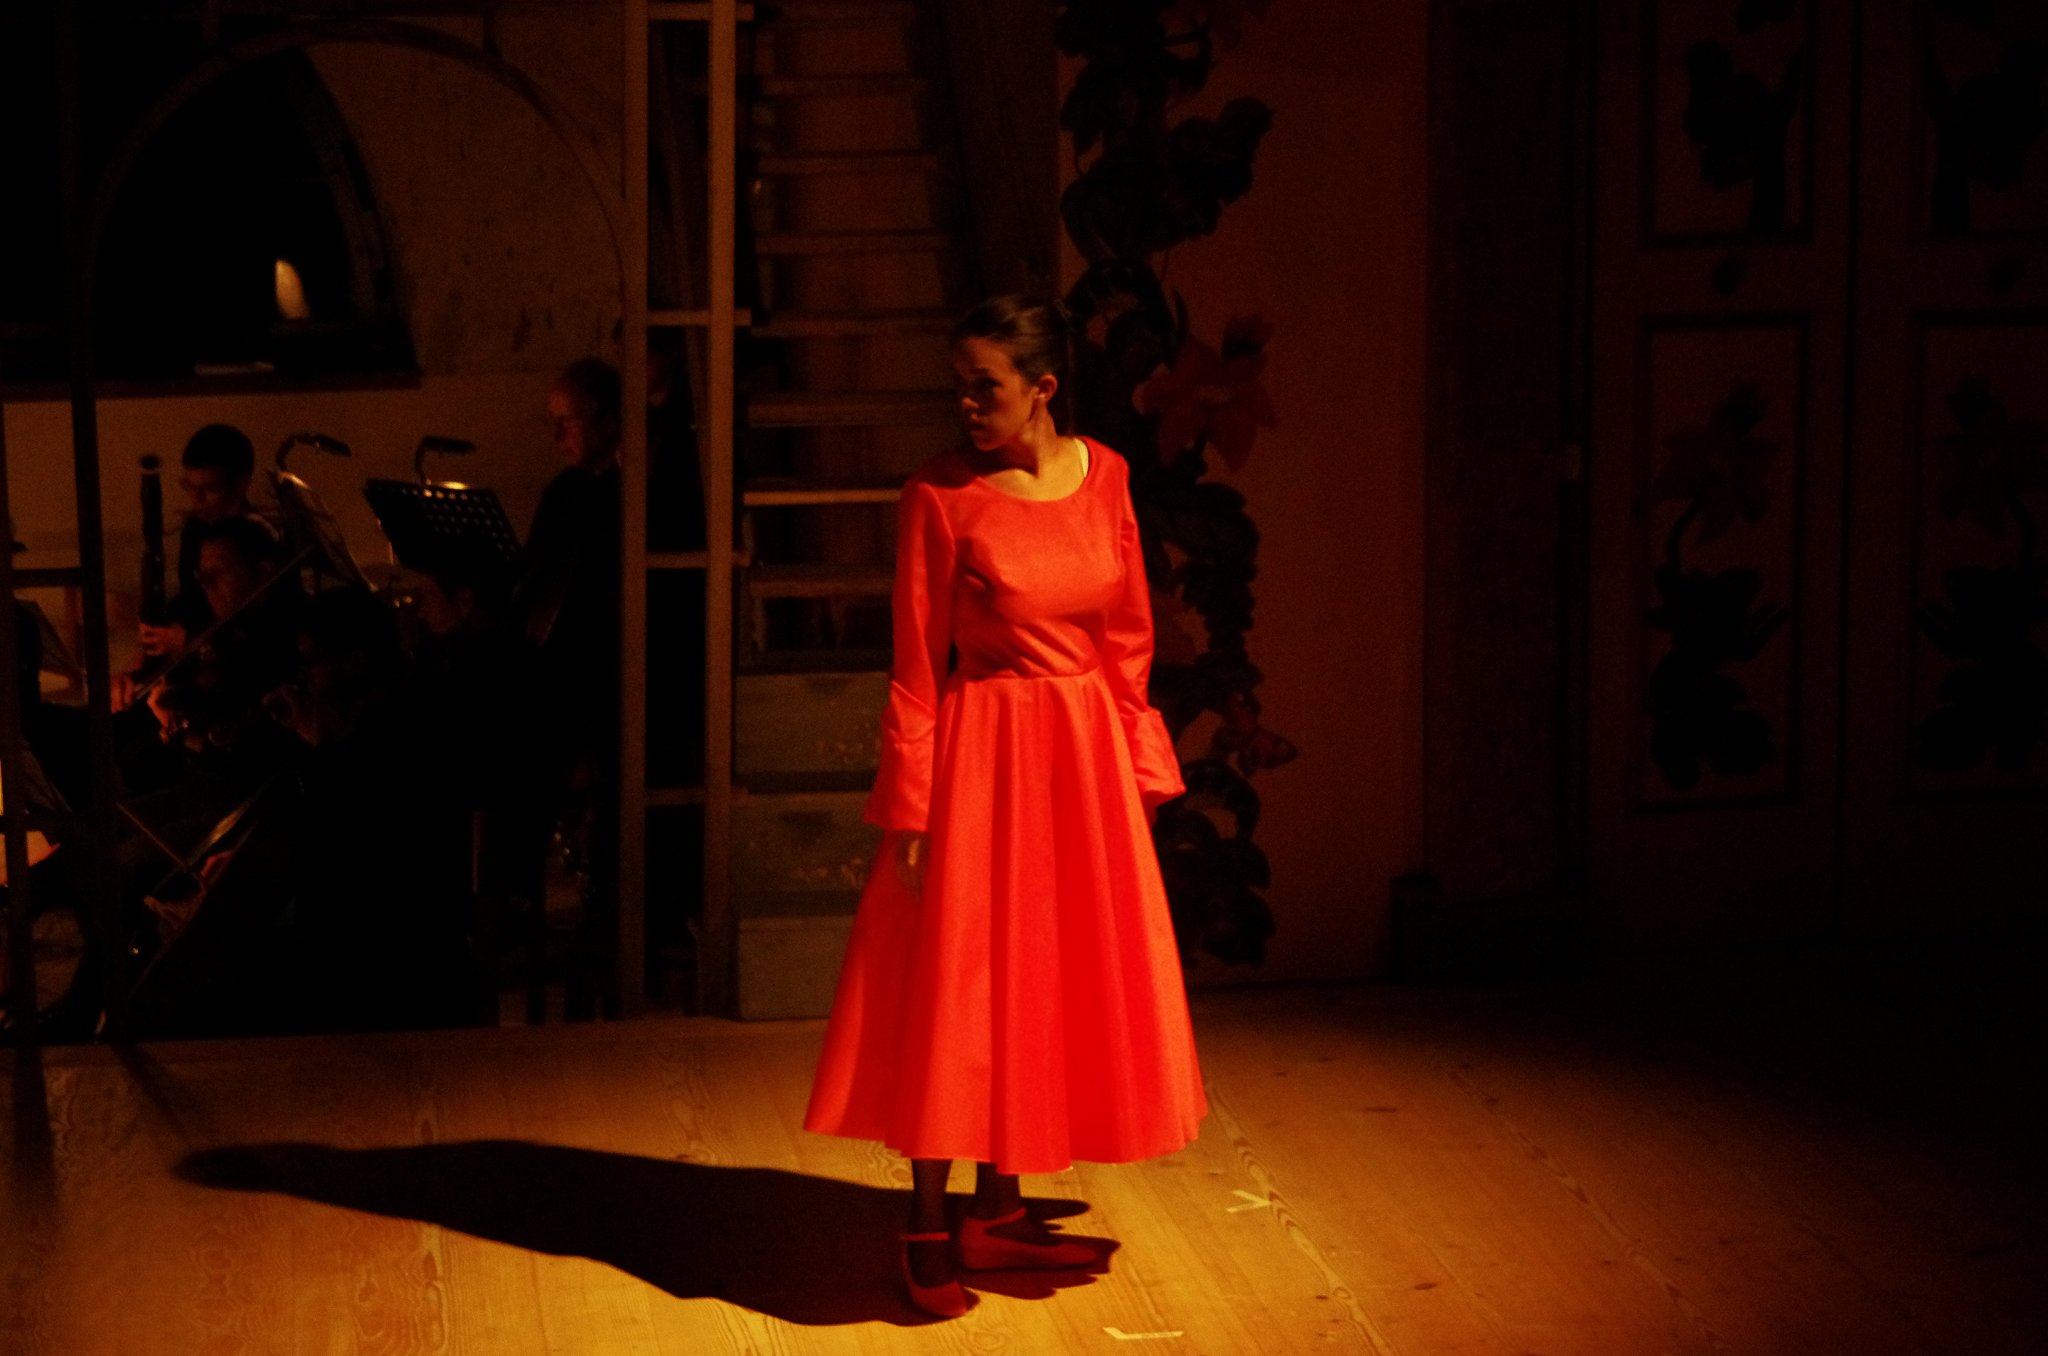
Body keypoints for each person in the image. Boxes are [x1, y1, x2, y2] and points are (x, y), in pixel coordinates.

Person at [802, 296, 1207, 1317]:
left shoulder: (1106, 477)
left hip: (1079, 760)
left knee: (1045, 975)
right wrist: (913, 809)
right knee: (960, 984)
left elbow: (1127, 640)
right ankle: (926, 1219)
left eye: (984, 385)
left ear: (1042, 389)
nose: (966, 404)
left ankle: (996, 1206)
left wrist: (1138, 774)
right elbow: (912, 668)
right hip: (983, 755)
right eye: (959, 386)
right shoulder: (939, 497)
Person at [139, 424, 276, 665]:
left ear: (241, 483)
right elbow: (191, 601)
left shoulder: (261, 539)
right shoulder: (195, 529)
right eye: (189, 487)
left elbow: (260, 633)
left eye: (209, 489)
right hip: (197, 661)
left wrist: (188, 641)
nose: (196, 500)